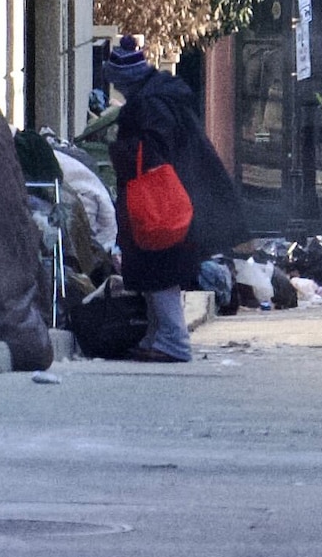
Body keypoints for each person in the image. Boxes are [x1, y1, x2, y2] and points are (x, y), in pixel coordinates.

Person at [102, 77, 243, 365]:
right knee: (157, 273)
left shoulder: (150, 109)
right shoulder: (168, 106)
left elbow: (146, 152)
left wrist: (123, 148)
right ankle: (159, 337)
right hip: (169, 206)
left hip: (155, 208)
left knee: (157, 273)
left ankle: (172, 339)